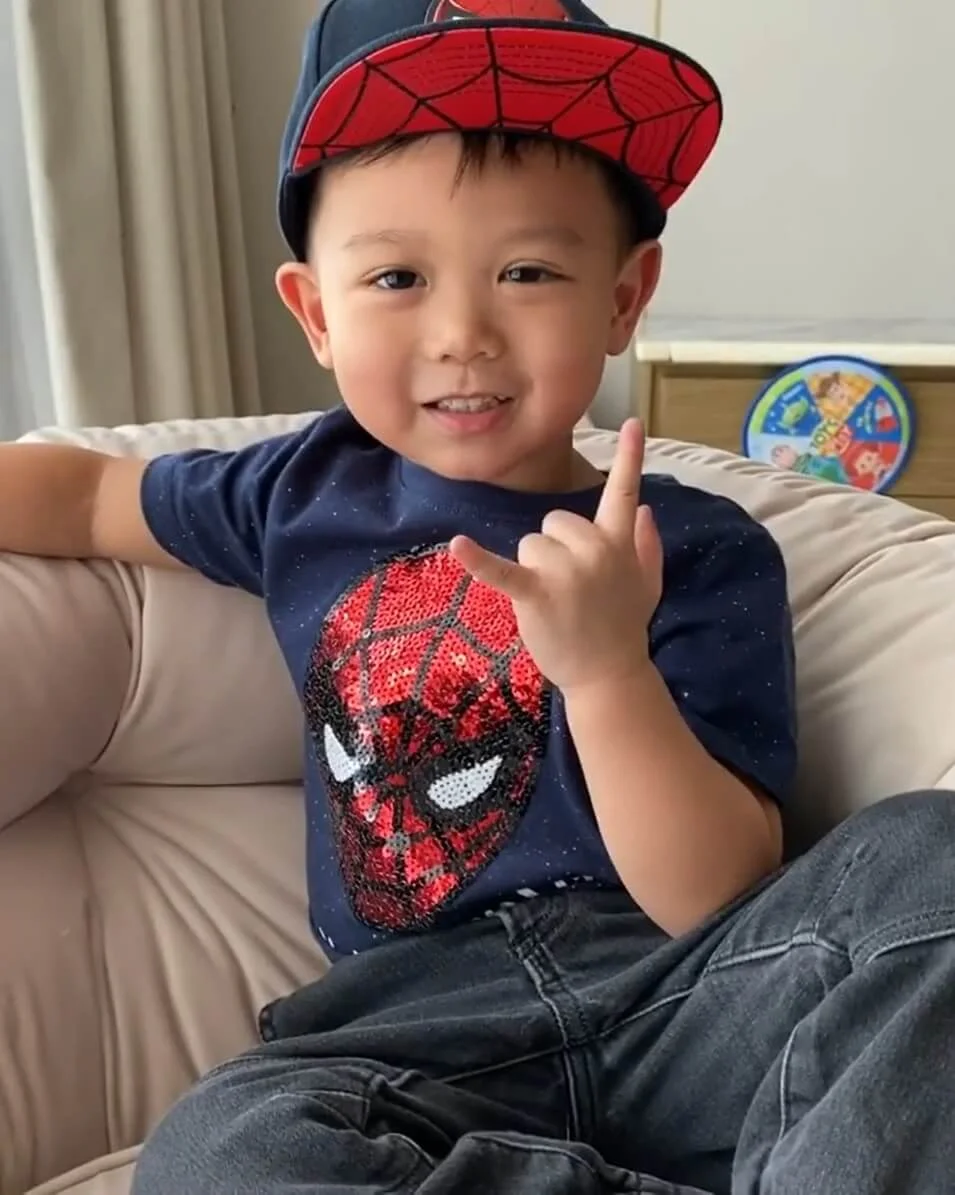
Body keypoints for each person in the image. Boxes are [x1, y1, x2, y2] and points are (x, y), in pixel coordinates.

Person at [2, 1, 953, 1191]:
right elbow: (88, 496)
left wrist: (605, 670)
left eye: (529, 271)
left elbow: (714, 892)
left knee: (928, 860)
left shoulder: (694, 545)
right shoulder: (302, 492)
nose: (463, 332)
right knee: (218, 1149)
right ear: (315, 312)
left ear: (622, 298)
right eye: (396, 276)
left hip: (687, 1001)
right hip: (407, 1037)